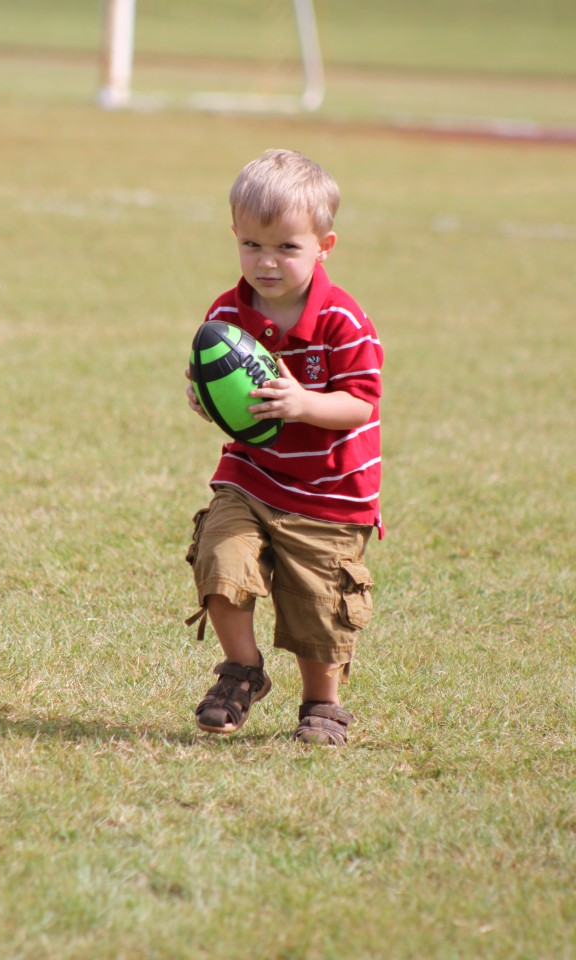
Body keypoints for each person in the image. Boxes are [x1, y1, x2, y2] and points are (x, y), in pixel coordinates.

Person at [185, 149, 384, 745]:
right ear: (235, 237)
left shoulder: (342, 319)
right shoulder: (226, 312)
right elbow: (212, 384)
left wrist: (303, 403)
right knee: (220, 559)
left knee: (318, 608)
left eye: (286, 248)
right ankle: (241, 671)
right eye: (251, 245)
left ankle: (323, 704)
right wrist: (203, 398)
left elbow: (361, 403)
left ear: (324, 244)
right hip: (251, 476)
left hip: (329, 490)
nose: (266, 262)